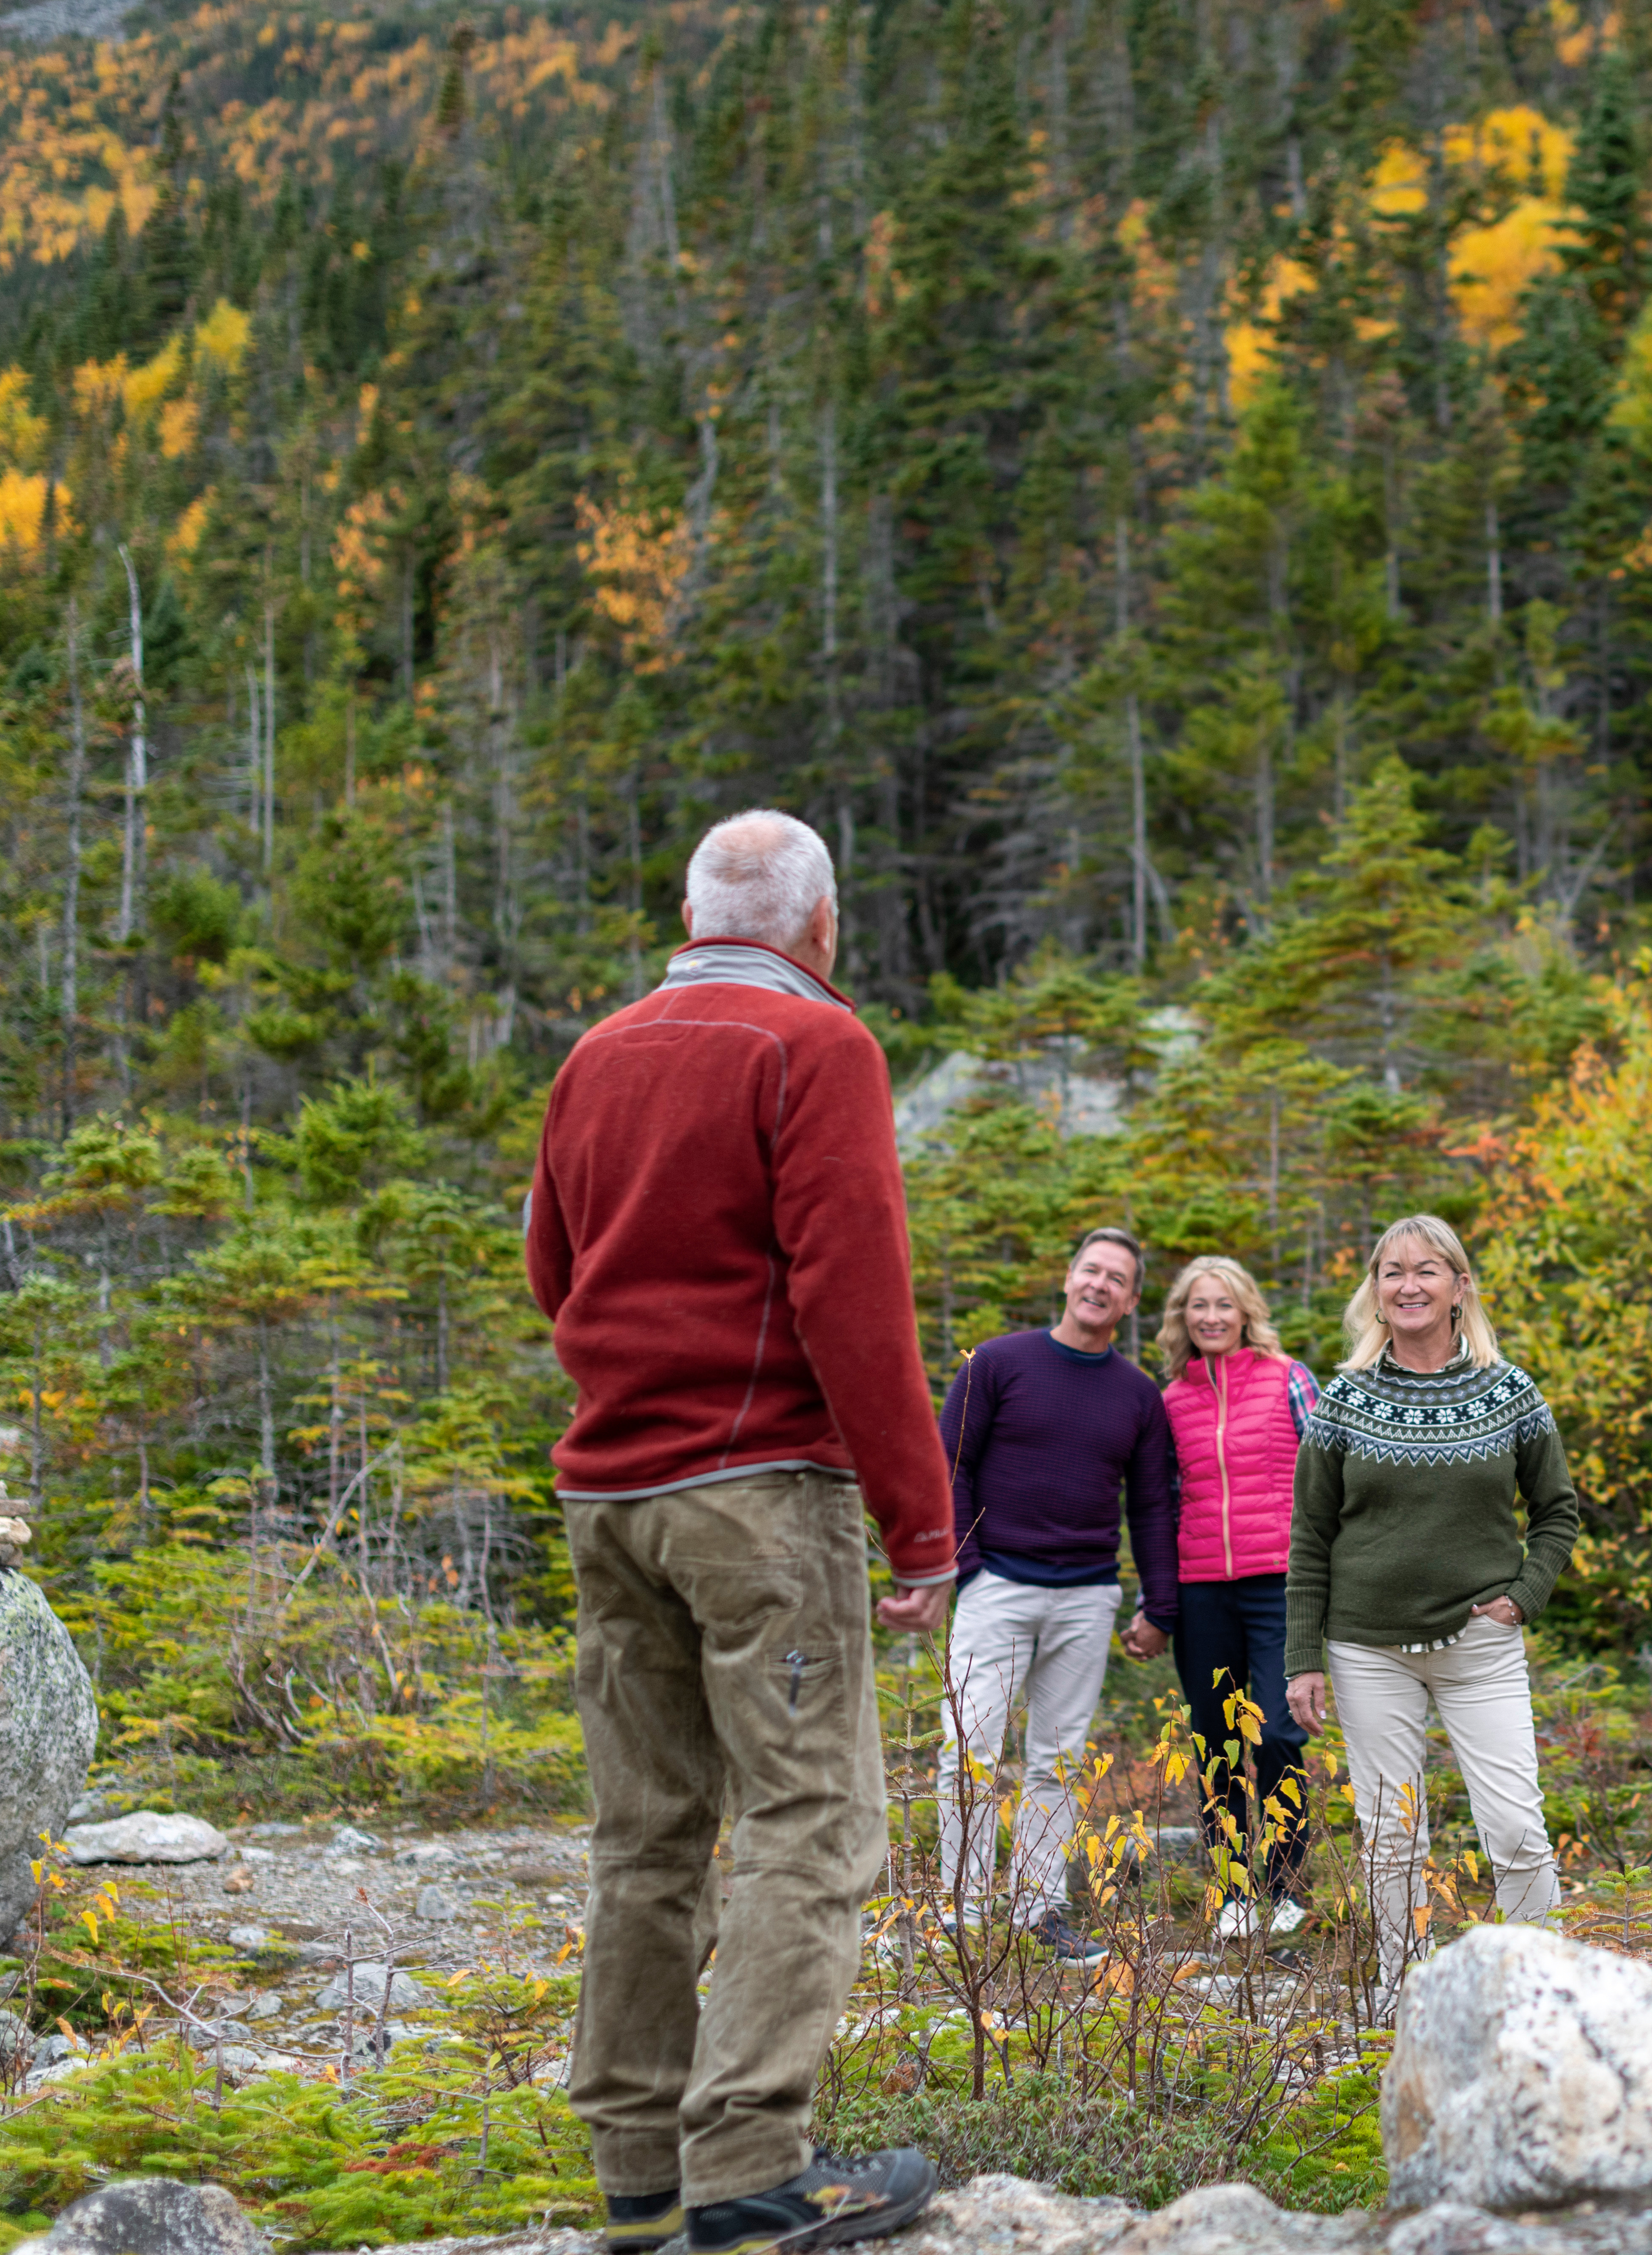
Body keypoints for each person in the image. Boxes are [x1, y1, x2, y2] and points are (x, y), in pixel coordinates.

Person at [527, 809, 948, 2255]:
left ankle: (638, 2178)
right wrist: (921, 1521)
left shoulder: (597, 1055)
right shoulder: (815, 1047)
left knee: (645, 1831)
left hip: (609, 1494)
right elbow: (853, 1297)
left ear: (699, 914)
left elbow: (551, 1262)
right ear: (822, 928)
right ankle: (752, 2172)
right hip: (759, 1491)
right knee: (811, 1819)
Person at [1285, 1215, 1579, 1997]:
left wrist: (1522, 1599)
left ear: (1460, 1285)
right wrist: (1302, 1659)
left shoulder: (1510, 1392)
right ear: (1376, 1292)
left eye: (1426, 1270)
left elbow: (1557, 1511)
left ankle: (1544, 1989)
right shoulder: (1344, 1400)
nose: (1408, 1285)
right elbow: (1310, 1537)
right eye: (1392, 1272)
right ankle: (1401, 1991)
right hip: (1366, 1648)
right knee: (1391, 1837)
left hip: (1480, 1645)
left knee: (1516, 1829)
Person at [933, 1227, 1181, 1964]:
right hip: (996, 1586)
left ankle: (1038, 1909)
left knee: (1058, 1761)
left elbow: (1152, 1508)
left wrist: (1158, 1605)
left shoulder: (1137, 1395)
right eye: (1090, 1269)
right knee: (970, 1750)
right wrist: (966, 1565)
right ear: (1069, 1277)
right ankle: (966, 1908)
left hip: (1085, 1596)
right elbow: (950, 1465)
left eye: (1117, 1278)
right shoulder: (999, 1363)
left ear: (1131, 1301)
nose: (1100, 1284)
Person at [1156, 1256, 1322, 1940]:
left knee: (1280, 1732)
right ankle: (1233, 1890)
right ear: (1183, 1317)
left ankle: (1285, 1885)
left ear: (1246, 1310)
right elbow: (1160, 1498)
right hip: (1202, 1588)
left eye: (1224, 1304)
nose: (1212, 1317)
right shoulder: (1170, 1400)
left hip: (1279, 1583)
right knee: (1216, 1739)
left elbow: (1326, 1477)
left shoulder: (1288, 1377)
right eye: (1199, 1305)